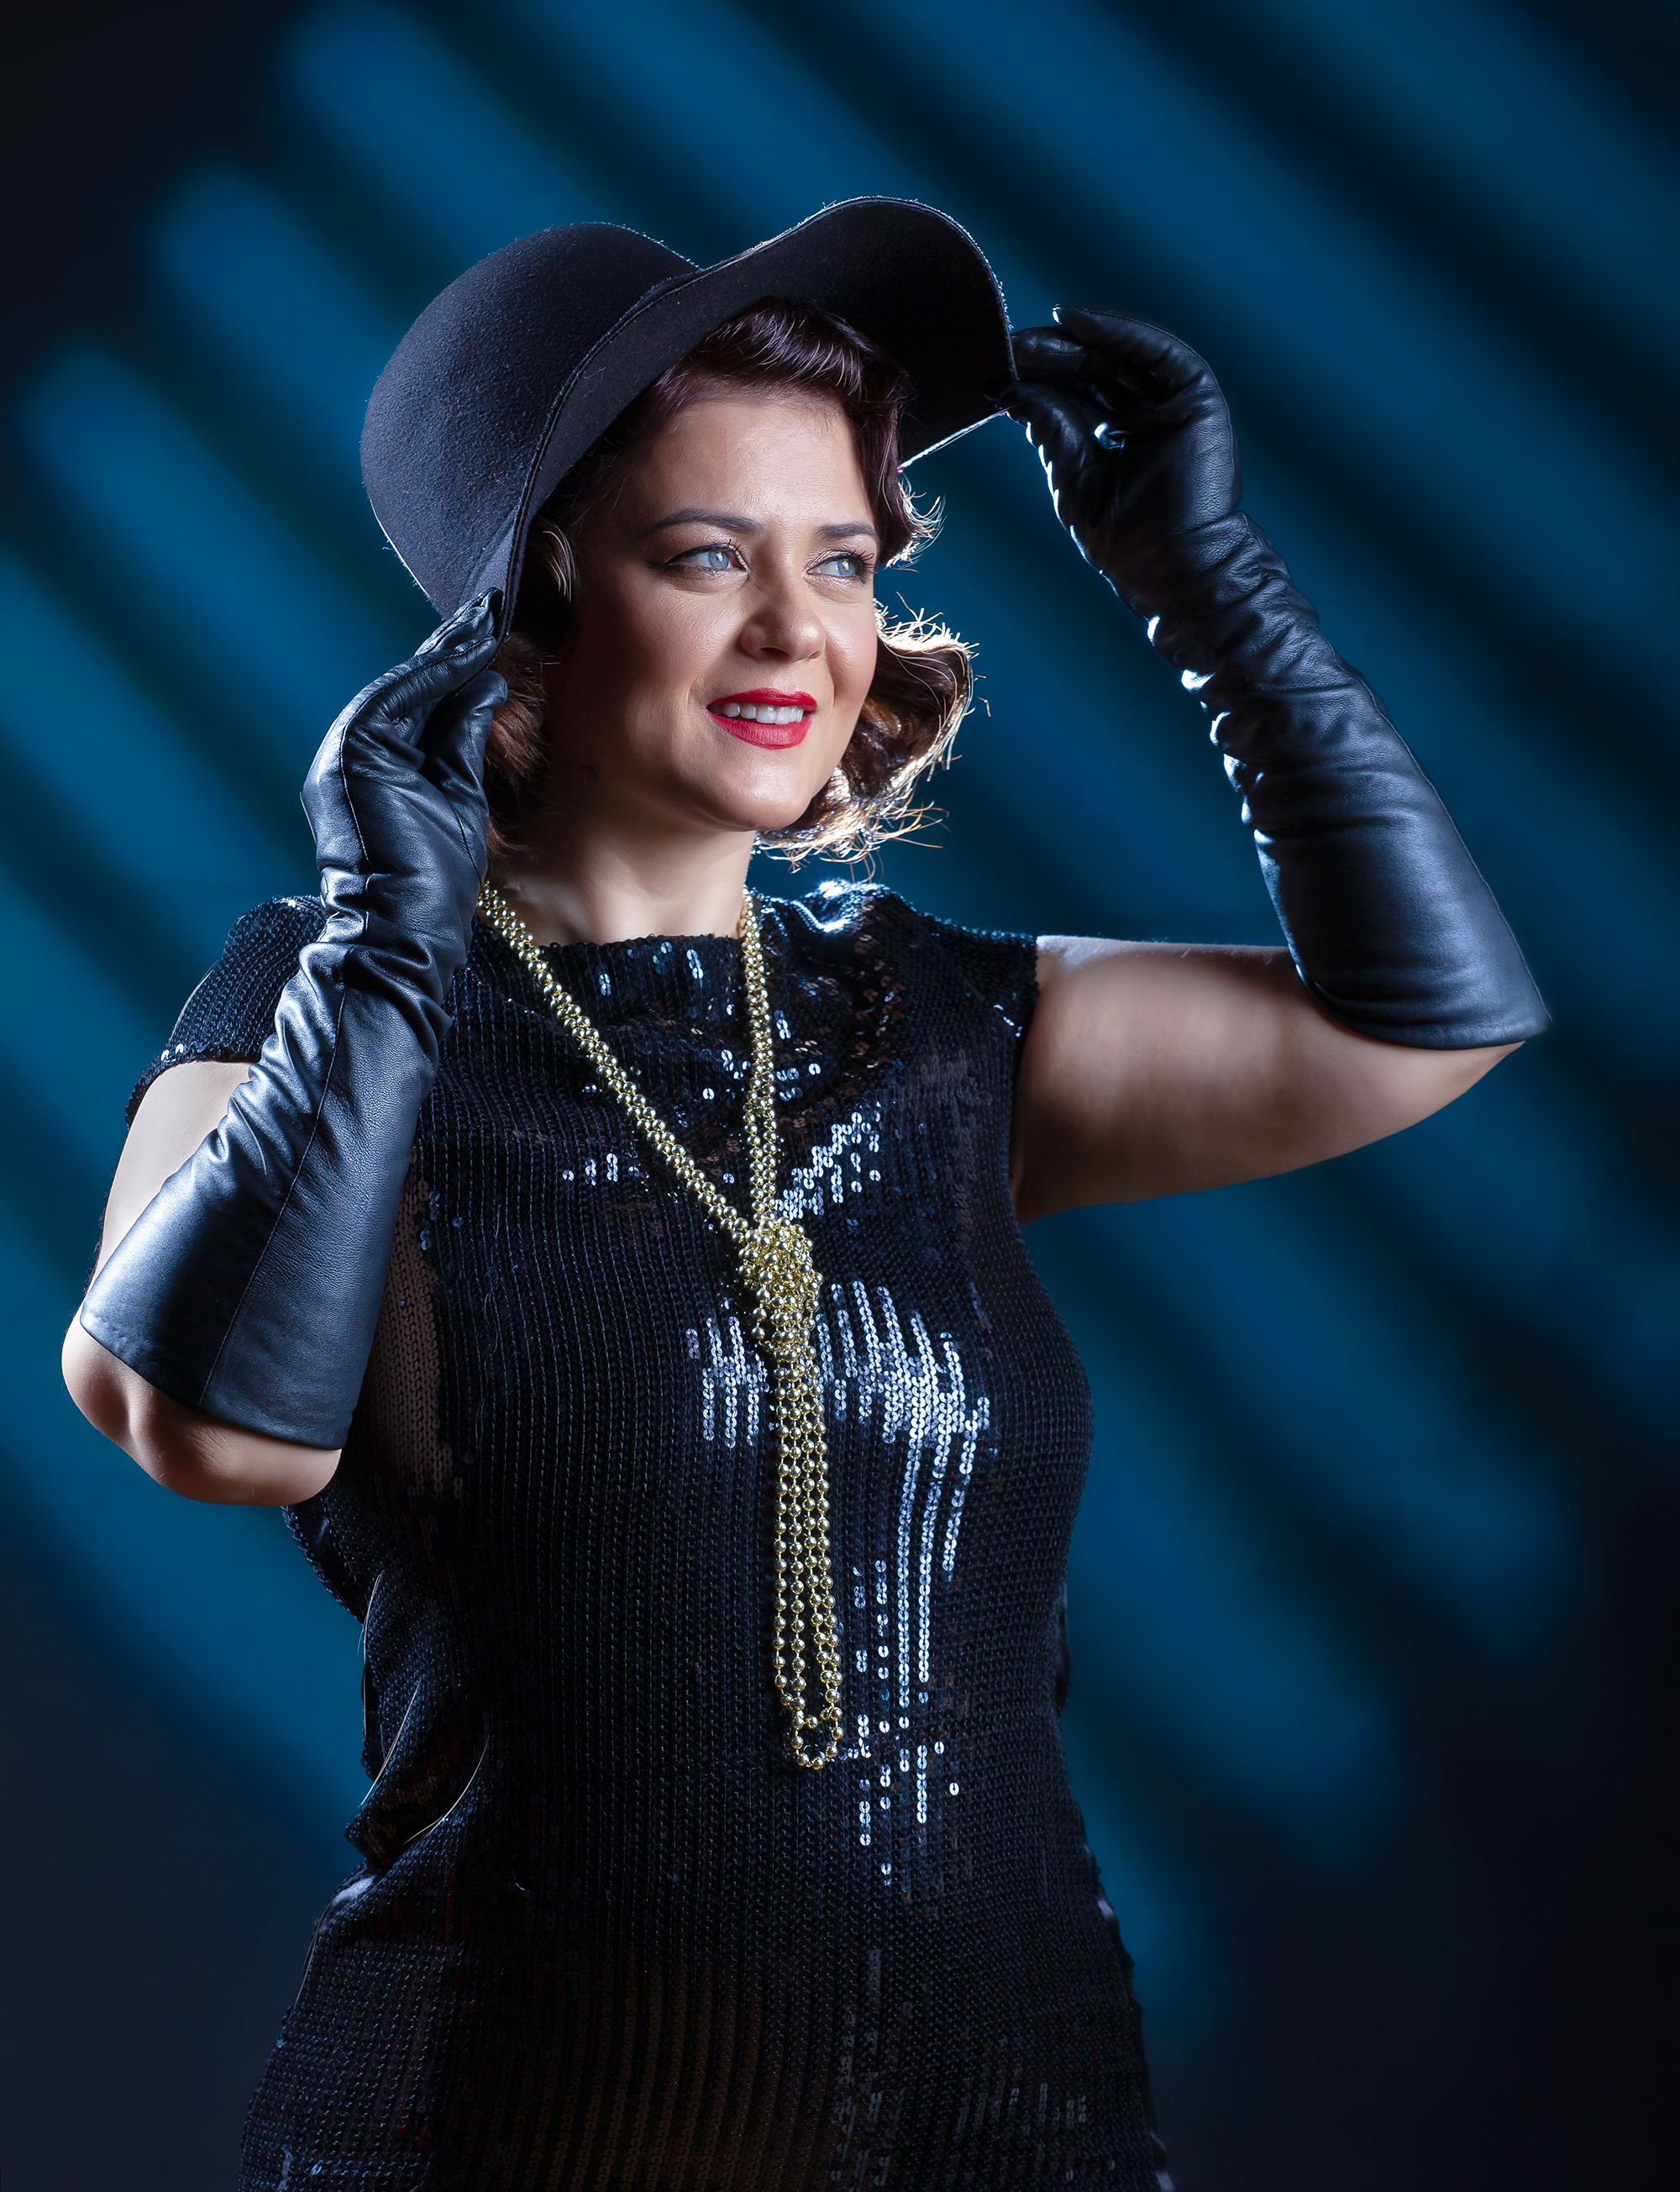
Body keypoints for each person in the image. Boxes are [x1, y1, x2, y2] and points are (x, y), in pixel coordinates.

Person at [61, 199, 1549, 2189]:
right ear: (528, 607)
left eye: (841, 557)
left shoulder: (938, 1026)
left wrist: (1213, 593)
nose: (800, 631)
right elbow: (210, 1429)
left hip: (1026, 2133)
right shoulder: (312, 1008)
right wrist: (388, 939)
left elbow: (1425, 1024)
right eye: (708, 554)